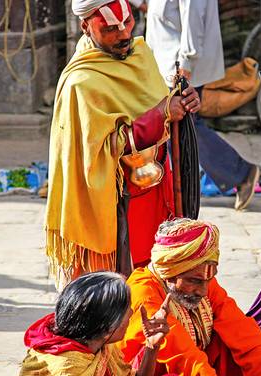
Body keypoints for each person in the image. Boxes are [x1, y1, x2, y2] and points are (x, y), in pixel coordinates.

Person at [45, 0, 201, 288]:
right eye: (110, 29)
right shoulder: (81, 82)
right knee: (119, 288)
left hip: (158, 194)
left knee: (156, 281)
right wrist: (161, 114)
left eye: (127, 23)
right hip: (117, 206)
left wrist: (182, 101)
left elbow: (156, 102)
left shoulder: (141, 54)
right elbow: (101, 150)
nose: (123, 34)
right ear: (85, 26)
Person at [120, 219, 261, 376]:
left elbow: (243, 332)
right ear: (169, 274)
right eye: (195, 281)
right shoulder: (143, 293)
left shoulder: (202, 279)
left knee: (234, 343)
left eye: (209, 280)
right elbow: (186, 359)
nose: (204, 291)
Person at [145, 0, 261, 211]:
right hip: (163, 63)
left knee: (181, 128)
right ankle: (178, 190)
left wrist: (187, 62)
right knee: (174, 130)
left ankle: (239, 173)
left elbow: (193, 16)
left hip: (179, 65)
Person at [15, 272, 195, 376]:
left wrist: (151, 346)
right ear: (108, 328)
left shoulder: (98, 345)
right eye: (126, 310)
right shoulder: (65, 373)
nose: (132, 312)